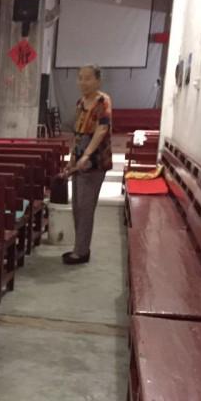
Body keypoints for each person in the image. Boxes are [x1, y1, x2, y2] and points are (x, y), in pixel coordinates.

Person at [60, 64, 113, 265]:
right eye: (80, 78)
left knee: (86, 206)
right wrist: (73, 157)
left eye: (88, 78)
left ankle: (81, 252)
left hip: (96, 160)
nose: (83, 82)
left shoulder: (103, 101)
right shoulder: (80, 102)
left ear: (98, 80)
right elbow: (78, 132)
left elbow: (101, 130)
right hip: (81, 155)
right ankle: (80, 247)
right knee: (77, 206)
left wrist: (87, 155)